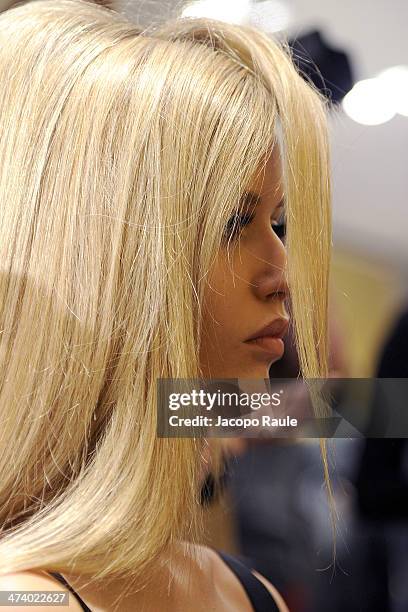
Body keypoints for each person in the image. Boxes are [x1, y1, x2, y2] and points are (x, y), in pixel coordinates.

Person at [0, 0, 332, 610]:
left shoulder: (253, 593)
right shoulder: (25, 599)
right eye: (232, 220)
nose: (283, 275)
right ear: (106, 256)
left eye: (277, 223)